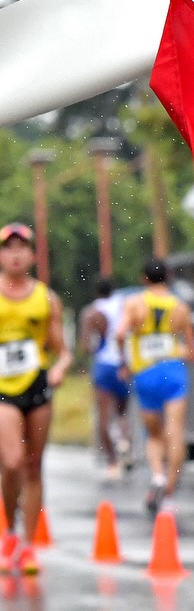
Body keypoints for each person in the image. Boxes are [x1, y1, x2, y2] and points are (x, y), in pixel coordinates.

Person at [0, 222, 71, 576]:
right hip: (3, 390)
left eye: (20, 248)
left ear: (31, 255)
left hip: (37, 386)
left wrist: (59, 368)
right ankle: (8, 532)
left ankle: (27, 546)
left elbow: (63, 351)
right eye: (7, 248)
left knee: (33, 465)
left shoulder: (46, 299)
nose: (14, 254)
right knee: (11, 461)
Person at [116, 258, 194, 516]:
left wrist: (124, 361)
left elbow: (119, 334)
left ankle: (158, 476)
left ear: (144, 279)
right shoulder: (181, 307)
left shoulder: (135, 303)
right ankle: (170, 489)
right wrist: (178, 348)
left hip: (145, 372)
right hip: (173, 371)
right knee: (175, 432)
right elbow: (192, 350)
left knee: (154, 433)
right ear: (168, 277)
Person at [80, 277, 132, 479]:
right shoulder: (124, 305)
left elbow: (86, 345)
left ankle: (112, 461)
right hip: (123, 363)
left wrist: (94, 348)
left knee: (103, 415)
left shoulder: (92, 312)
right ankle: (124, 443)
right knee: (122, 413)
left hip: (103, 365)